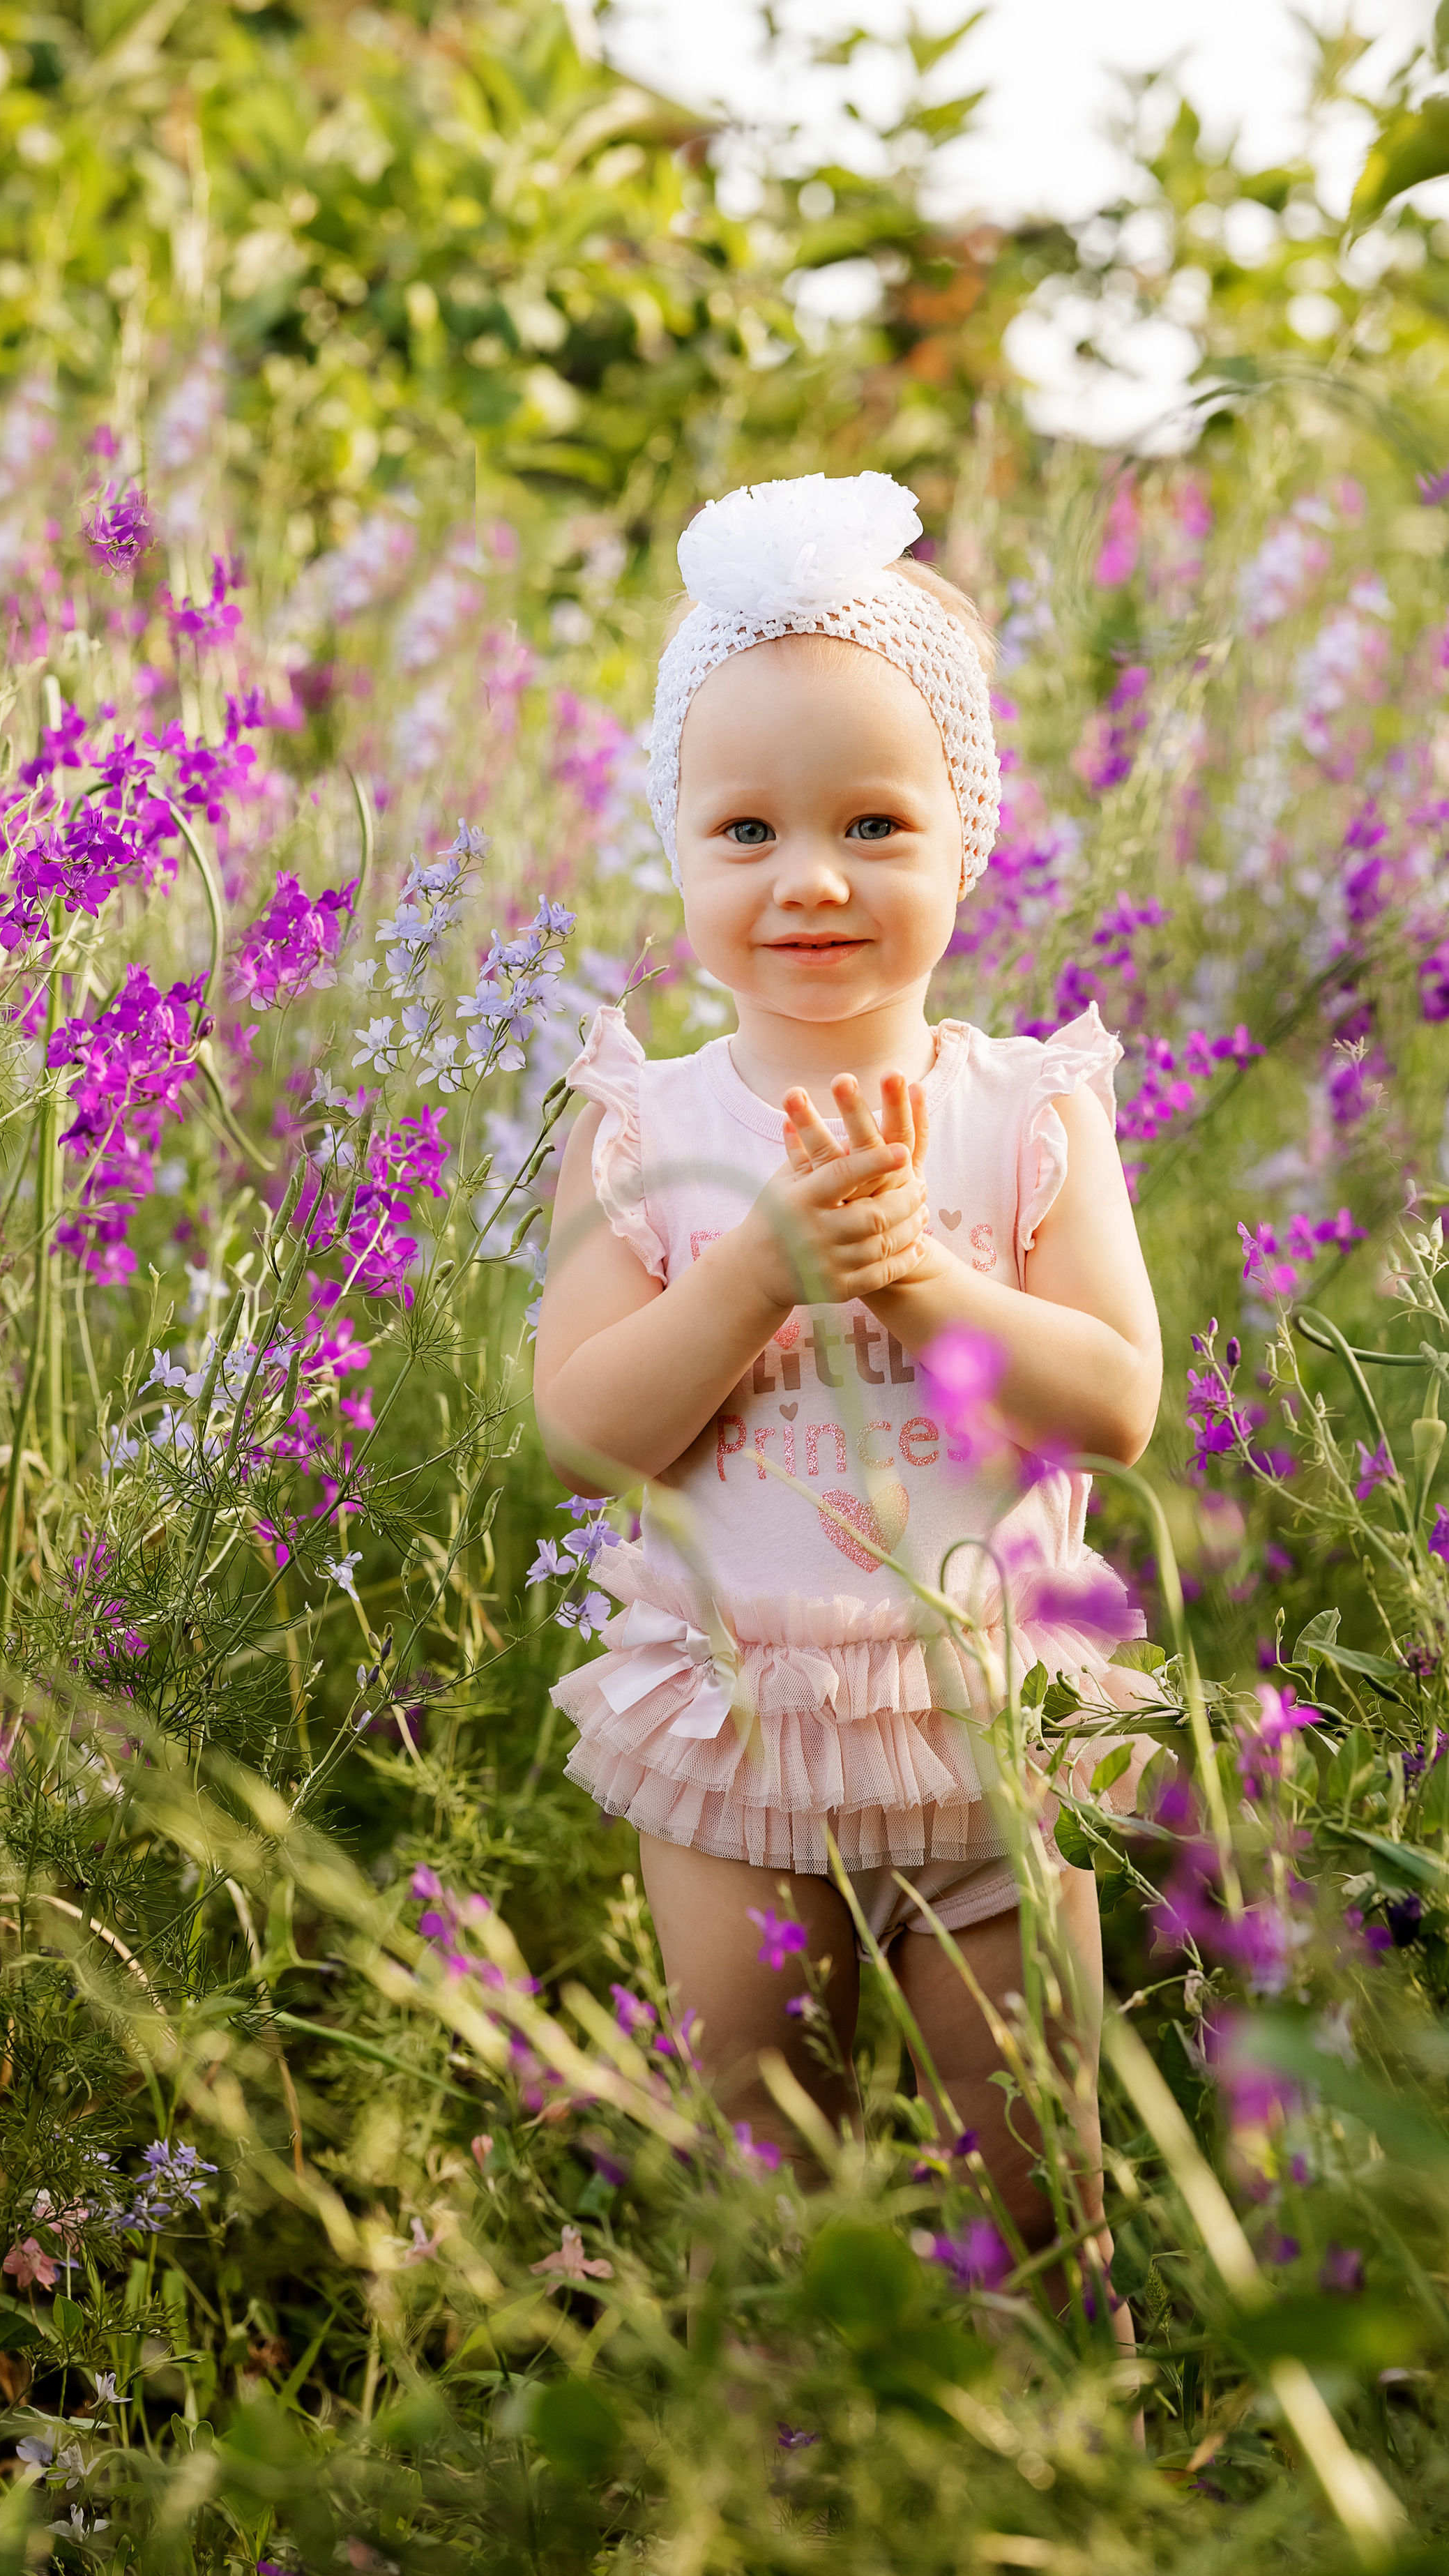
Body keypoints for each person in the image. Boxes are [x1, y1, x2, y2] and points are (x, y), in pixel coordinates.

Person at [533, 471, 1162, 2317]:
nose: (809, 876)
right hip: (736, 1731)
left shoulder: (1027, 1112)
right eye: (746, 829)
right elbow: (585, 1430)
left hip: (990, 1720)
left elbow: (1114, 1404)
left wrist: (921, 1285)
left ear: (968, 843)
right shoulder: (645, 1125)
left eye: (874, 823)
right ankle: (780, 2461)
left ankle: (1043, 2436)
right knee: (761, 2141)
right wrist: (754, 1274)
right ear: (679, 853)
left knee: (1029, 2154)